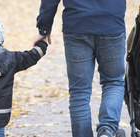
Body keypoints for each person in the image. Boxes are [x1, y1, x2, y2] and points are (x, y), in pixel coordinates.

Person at [34, 0, 126, 137]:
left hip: (76, 24)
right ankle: (107, 130)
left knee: (79, 92)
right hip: (111, 23)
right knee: (113, 82)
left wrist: (44, 27)